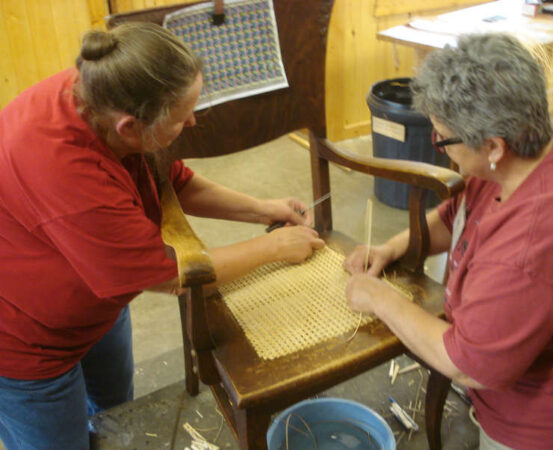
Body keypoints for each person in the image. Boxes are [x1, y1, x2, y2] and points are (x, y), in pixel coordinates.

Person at [0, 22, 324, 449]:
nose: (192, 121)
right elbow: (169, 275)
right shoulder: (67, 170)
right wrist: (272, 247)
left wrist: (264, 209)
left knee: (117, 415)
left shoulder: (104, 84)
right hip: (28, 339)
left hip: (96, 296)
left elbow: (171, 179)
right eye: (181, 116)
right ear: (130, 128)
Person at [344, 33, 553, 450]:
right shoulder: (539, 157)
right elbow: (454, 217)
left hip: (545, 428)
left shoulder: (533, 242)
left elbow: (467, 365)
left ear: (495, 146)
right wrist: (393, 247)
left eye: (443, 139)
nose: (440, 149)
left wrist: (380, 299)